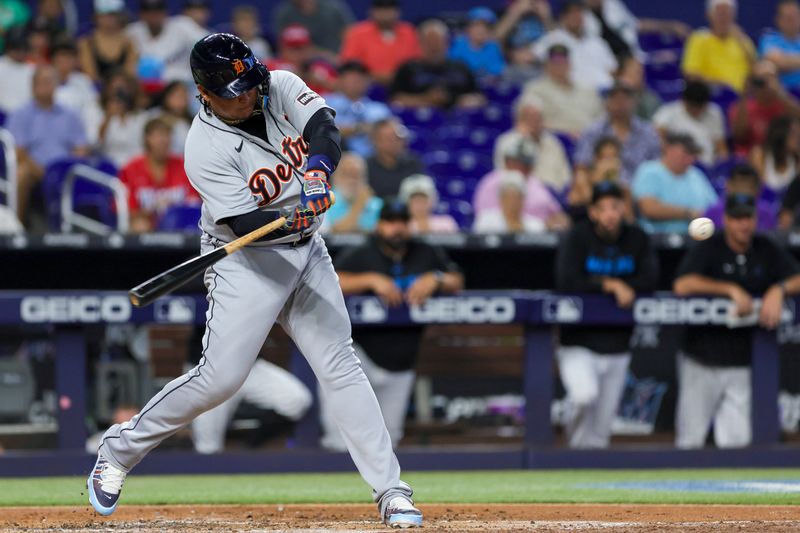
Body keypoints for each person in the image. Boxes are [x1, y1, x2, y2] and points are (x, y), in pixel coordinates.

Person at [87, 34, 424, 529]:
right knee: (220, 380)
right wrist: (291, 216)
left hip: (308, 251)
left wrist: (317, 172)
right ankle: (119, 447)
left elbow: (325, 127)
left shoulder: (279, 85)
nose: (248, 96)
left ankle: (391, 491)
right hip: (247, 261)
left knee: (340, 365)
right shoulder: (203, 147)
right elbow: (245, 228)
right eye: (235, 91)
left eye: (250, 84)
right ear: (205, 92)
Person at [325, 200, 463, 449]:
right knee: (342, 438)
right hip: (360, 356)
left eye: (402, 222)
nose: (397, 229)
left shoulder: (425, 252)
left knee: (388, 442)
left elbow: (457, 279)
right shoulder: (363, 252)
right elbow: (333, 280)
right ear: (379, 225)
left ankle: (381, 488)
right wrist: (371, 279)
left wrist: (436, 278)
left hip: (402, 361)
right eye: (390, 222)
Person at [673, 193, 800, 448]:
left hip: (741, 361)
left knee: (737, 442)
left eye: (748, 218)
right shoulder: (710, 246)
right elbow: (682, 285)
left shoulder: (764, 247)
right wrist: (729, 289)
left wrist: (778, 289)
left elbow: (796, 277)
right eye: (737, 218)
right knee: (690, 440)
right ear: (726, 220)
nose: (743, 224)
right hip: (702, 359)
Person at [555, 180, 658, 448]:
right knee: (583, 397)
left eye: (615, 207)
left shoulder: (637, 237)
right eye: (603, 208)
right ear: (593, 212)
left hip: (618, 344)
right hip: (578, 342)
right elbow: (566, 280)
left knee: (601, 430)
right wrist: (609, 284)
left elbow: (651, 277)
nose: (610, 214)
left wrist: (628, 286)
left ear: (623, 209)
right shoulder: (578, 237)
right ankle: (571, 454)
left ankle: (588, 481)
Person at [7, 65, 89, 224]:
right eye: (38, 82)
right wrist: (45, 173)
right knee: (21, 173)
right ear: (32, 86)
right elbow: (19, 152)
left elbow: (81, 149)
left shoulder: (70, 115)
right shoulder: (21, 114)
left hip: (65, 172)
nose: (42, 86)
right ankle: (16, 226)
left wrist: (63, 171)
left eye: (47, 81)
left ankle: (77, 228)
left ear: (56, 85)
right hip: (35, 171)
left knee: (87, 171)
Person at [192, 358, 312, 454]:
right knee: (208, 447)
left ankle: (246, 454)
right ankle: (207, 472)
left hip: (249, 366)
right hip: (210, 368)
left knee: (297, 400)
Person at [118, 117, 199, 233]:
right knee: (140, 225)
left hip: (181, 227)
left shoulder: (184, 165)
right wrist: (152, 210)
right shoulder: (131, 169)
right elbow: (123, 212)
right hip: (146, 230)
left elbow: (195, 204)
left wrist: (173, 208)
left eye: (167, 135)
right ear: (147, 139)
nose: (163, 140)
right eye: (159, 135)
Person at [573, 82, 661, 184]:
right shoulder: (593, 131)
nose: (621, 103)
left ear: (634, 102)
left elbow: (657, 166)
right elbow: (582, 165)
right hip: (604, 188)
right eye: (616, 99)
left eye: (625, 99)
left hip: (642, 189)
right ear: (607, 103)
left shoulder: (647, 132)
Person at [631, 132, 718, 234]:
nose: (689, 159)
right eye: (685, 153)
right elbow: (649, 208)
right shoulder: (649, 170)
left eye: (692, 154)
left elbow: (714, 206)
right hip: (658, 238)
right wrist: (688, 213)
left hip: (697, 237)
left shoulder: (696, 174)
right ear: (668, 149)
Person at [475, 138, 569, 230]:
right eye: (514, 162)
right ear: (507, 161)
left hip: (535, 234)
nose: (519, 166)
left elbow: (557, 216)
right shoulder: (491, 182)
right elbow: (484, 218)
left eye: (524, 164)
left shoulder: (537, 185)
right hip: (499, 231)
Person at [390, 19, 485, 109]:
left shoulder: (461, 67)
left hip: (458, 120)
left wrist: (465, 101)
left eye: (437, 42)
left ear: (447, 43)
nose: (434, 47)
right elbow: (396, 100)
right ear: (420, 44)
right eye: (429, 43)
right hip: (418, 120)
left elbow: (480, 98)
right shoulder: (407, 69)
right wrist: (426, 99)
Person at [493, 94, 572, 192]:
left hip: (554, 196)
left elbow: (565, 177)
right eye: (529, 118)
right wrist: (524, 139)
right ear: (519, 120)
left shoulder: (553, 143)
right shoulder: (506, 142)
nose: (534, 123)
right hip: (523, 195)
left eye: (538, 118)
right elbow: (504, 176)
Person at [533, 0, 618, 92]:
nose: (576, 16)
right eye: (571, 13)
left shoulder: (597, 42)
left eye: (579, 12)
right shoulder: (553, 39)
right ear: (563, 17)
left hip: (605, 91)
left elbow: (612, 69)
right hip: (574, 94)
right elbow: (535, 58)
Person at [522, 43, 603, 137]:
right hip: (555, 140)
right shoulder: (536, 90)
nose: (560, 65)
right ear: (547, 65)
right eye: (555, 62)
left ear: (570, 64)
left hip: (590, 140)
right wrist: (566, 134)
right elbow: (529, 121)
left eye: (563, 61)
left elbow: (601, 120)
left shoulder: (587, 89)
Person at [339, 0, 421, 85]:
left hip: (403, 85)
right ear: (371, 12)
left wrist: (397, 77)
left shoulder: (409, 33)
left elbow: (416, 62)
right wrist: (377, 77)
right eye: (381, 10)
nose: (385, 15)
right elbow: (349, 65)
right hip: (367, 86)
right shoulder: (357, 33)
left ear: (398, 12)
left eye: (389, 10)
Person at [126, 0, 206, 86]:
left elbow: (208, 42)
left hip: (182, 85)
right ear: (141, 14)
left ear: (165, 12)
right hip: (145, 87)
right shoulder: (132, 32)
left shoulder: (182, 26)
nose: (153, 15)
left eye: (157, 11)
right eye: (148, 11)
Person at [681, 0, 756, 92]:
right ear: (709, 15)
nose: (723, 18)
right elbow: (690, 73)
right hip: (711, 96)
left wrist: (742, 43)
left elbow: (756, 73)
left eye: (727, 13)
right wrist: (720, 86)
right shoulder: (698, 39)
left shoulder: (744, 41)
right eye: (719, 13)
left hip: (742, 99)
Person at [729, 60, 800, 156]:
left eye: (771, 77)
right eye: (762, 79)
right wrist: (745, 94)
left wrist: (779, 93)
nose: (766, 83)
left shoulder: (786, 103)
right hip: (752, 156)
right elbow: (739, 136)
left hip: (783, 155)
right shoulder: (742, 106)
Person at [653, 80, 728, 167]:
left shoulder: (714, 112)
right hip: (678, 163)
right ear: (684, 101)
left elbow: (721, 148)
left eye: (699, 107)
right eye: (692, 106)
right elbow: (657, 136)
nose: (696, 111)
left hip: (707, 164)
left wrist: (722, 166)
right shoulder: (668, 112)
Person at [326, 61, 392, 158]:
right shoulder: (325, 103)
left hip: (373, 160)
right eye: (350, 79)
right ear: (340, 80)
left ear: (368, 82)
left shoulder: (379, 109)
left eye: (359, 79)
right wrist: (359, 128)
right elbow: (323, 131)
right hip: (335, 158)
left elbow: (390, 133)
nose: (355, 83)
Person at [567, 136, 634, 222]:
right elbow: (590, 201)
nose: (610, 163)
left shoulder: (621, 186)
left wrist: (625, 193)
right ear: (596, 159)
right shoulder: (582, 177)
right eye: (606, 158)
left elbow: (629, 220)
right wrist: (599, 176)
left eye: (614, 157)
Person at [51, 38, 103, 146]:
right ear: (54, 59)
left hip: (79, 141)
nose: (66, 61)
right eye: (62, 55)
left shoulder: (83, 82)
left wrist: (88, 141)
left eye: (70, 56)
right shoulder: (44, 81)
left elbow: (92, 113)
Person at [77, 0, 138, 84]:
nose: (108, 19)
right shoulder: (87, 43)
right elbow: (90, 76)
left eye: (112, 15)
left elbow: (130, 75)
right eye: (104, 15)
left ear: (120, 16)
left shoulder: (129, 43)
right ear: (96, 16)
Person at [97, 72, 149, 168]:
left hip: (137, 165)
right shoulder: (100, 114)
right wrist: (108, 117)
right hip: (110, 165)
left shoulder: (141, 117)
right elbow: (97, 144)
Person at [267, 24, 337, 95]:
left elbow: (342, 88)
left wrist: (322, 82)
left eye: (301, 48)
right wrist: (302, 76)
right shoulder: (271, 66)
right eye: (293, 48)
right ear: (282, 48)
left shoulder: (322, 67)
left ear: (310, 48)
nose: (298, 53)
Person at [322, 152, 383, 233]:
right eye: (347, 174)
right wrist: (359, 204)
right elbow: (335, 232)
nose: (352, 180)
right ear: (335, 176)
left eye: (357, 175)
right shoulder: (324, 203)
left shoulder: (378, 205)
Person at [706, 163, 777, 231]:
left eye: (749, 187)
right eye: (738, 186)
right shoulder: (713, 212)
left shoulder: (766, 213)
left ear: (757, 189)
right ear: (729, 185)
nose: (743, 191)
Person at [495, 0, 554, 81]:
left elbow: (558, 40)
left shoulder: (543, 10)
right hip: (513, 66)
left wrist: (546, 17)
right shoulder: (508, 10)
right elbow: (495, 38)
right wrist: (515, 13)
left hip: (541, 67)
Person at [473, 170, 546, 233]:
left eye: (516, 197)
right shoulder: (486, 221)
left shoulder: (536, 226)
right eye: (508, 197)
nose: (512, 202)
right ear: (501, 199)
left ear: (523, 200)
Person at [366, 118, 424, 198]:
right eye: (389, 138)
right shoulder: (365, 167)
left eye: (398, 138)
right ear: (376, 141)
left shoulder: (412, 163)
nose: (396, 142)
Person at [273, 0, 355, 56]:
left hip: (336, 57)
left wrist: (339, 57)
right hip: (301, 60)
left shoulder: (333, 8)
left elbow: (349, 34)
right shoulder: (285, 13)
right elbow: (282, 46)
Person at [449, 7, 506, 79]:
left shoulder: (493, 47)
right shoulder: (458, 45)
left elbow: (499, 72)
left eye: (486, 27)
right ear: (468, 28)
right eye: (476, 26)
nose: (481, 30)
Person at [750, 116, 800, 191]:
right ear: (781, 134)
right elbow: (758, 187)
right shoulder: (759, 154)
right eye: (793, 134)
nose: (797, 139)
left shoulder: (797, 158)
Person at [759, 0, 800, 91]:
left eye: (794, 17)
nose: (792, 21)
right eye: (788, 18)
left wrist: (788, 61)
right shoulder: (769, 39)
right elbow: (778, 61)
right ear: (778, 20)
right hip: (782, 94)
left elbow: (784, 62)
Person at [149, 81, 193, 157]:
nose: (181, 101)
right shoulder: (155, 116)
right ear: (167, 97)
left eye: (183, 96)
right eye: (177, 96)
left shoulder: (192, 121)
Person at [0, 27, 35, 115]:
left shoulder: (33, 69)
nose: (19, 51)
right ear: (8, 47)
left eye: (22, 48)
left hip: (26, 117)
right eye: (15, 47)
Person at [615, 56, 662, 121]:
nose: (641, 77)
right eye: (636, 72)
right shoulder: (611, 96)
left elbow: (656, 123)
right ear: (622, 74)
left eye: (642, 73)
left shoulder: (650, 97)